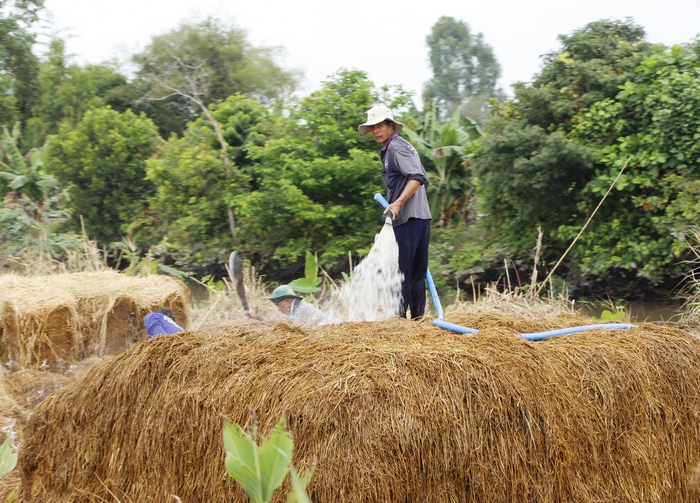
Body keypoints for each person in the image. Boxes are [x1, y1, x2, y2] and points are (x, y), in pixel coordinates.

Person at [358, 104, 431, 319]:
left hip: (408, 218)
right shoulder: (403, 146)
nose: (376, 131)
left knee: (401, 274)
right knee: (416, 275)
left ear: (391, 125)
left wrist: (398, 203)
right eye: (372, 127)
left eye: (380, 125)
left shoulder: (396, 148)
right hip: (421, 217)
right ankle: (417, 322)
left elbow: (417, 178)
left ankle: (399, 323)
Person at [244, 285, 328, 322]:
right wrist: (256, 317)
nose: (278, 309)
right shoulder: (297, 308)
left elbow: (280, 327)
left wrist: (257, 318)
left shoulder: (301, 309)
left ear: (287, 300)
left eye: (278, 304)